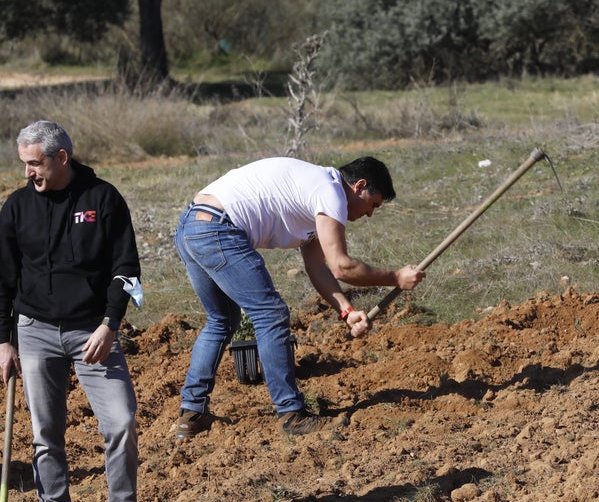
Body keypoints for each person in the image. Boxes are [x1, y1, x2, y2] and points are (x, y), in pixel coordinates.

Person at [0, 120, 154, 502]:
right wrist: (3, 341)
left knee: (121, 422)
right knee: (46, 435)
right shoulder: (17, 207)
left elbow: (127, 268)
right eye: (23, 163)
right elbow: (0, 280)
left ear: (61, 158)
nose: (27, 173)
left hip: (93, 332)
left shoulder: (103, 200)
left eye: (34, 163)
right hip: (35, 332)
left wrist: (111, 324)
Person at [173, 156, 425, 439]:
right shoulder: (330, 193)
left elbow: (318, 266)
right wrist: (395, 278)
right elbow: (342, 266)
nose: (369, 214)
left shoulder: (315, 193)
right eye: (373, 204)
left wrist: (346, 310)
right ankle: (292, 415)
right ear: (359, 186)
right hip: (218, 229)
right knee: (270, 314)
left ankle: (191, 414)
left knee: (222, 320)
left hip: (192, 226)